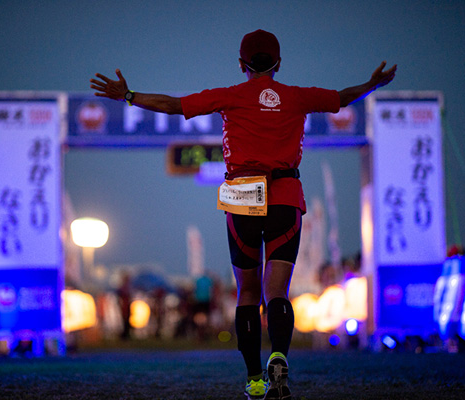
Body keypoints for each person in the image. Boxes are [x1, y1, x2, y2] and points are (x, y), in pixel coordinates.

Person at [90, 29, 396, 400]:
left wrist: (128, 95)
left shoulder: (230, 95)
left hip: (243, 197)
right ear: (279, 64)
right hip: (285, 194)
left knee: (248, 293)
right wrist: (371, 84)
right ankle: (279, 355)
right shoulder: (297, 97)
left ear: (241, 64)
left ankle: (254, 378)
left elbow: (173, 106)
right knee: (277, 291)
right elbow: (343, 98)